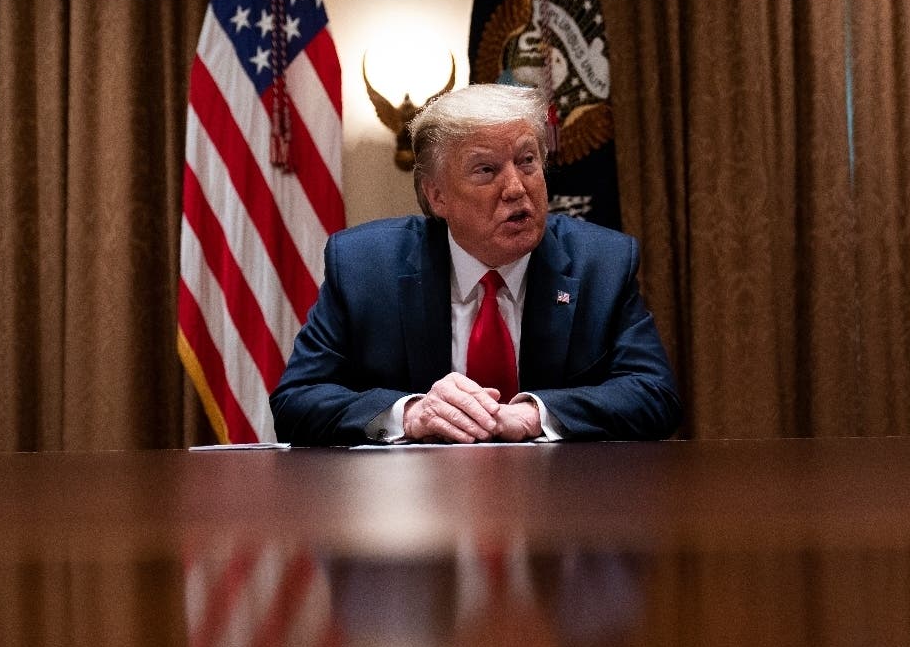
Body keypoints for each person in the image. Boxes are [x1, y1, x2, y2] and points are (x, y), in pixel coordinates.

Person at [269, 83, 682, 446]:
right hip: (412, 515)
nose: (516, 188)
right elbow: (297, 401)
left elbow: (654, 394)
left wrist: (535, 415)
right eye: (486, 170)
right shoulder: (364, 266)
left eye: (527, 161)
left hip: (559, 510)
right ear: (437, 196)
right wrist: (410, 415)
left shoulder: (601, 263)